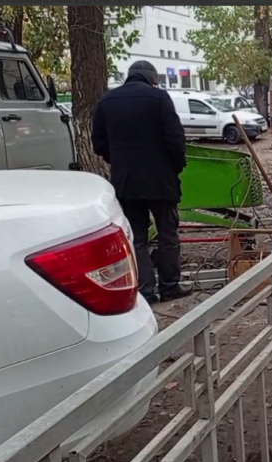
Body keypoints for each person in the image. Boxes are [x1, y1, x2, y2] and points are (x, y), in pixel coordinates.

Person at [92, 60, 192, 304]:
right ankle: (169, 286)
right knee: (168, 234)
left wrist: (118, 161)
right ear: (151, 79)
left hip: (126, 183)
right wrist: (175, 167)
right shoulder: (159, 99)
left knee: (137, 237)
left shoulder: (107, 101)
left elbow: (99, 144)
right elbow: (175, 139)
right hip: (161, 181)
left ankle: (146, 291)